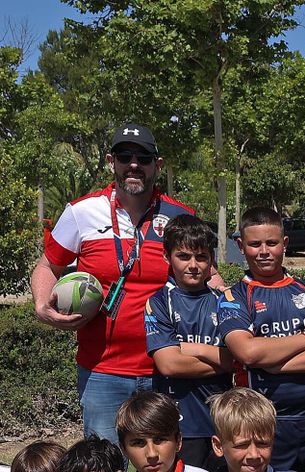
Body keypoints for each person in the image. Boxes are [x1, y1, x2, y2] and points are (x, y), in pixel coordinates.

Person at [32, 123, 205, 442]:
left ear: (158, 165)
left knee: (162, 470)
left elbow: (206, 275)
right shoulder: (81, 212)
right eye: (125, 156)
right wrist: (43, 306)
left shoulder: (181, 217)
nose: (134, 164)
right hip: (103, 372)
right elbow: (48, 265)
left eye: (144, 157)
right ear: (112, 161)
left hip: (166, 368)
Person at [223, 206, 305, 472]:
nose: (263, 251)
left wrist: (275, 364)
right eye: (254, 244)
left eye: (271, 243)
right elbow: (248, 353)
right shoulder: (234, 296)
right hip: (263, 424)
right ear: (241, 246)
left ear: (285, 244)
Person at [144, 214, 241, 472]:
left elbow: (239, 359)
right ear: (167, 257)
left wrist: (191, 348)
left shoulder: (226, 301)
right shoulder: (159, 302)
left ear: (211, 260)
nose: (193, 265)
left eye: (201, 257)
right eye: (184, 256)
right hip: (180, 427)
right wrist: (222, 361)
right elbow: (169, 364)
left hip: (224, 422)